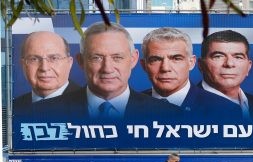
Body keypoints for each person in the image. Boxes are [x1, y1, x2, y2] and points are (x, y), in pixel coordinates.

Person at [39, 21, 171, 120]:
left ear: (133, 59)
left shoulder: (168, 115)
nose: (107, 68)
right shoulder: (44, 113)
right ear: (81, 61)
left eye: (117, 57)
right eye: (97, 58)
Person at [140, 27, 230, 120]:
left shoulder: (224, 110)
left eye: (176, 58)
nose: (165, 68)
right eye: (156, 59)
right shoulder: (128, 106)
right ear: (144, 65)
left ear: (191, 62)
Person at [198, 30, 253, 122]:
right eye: (218, 56)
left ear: (248, 67)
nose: (229, 64)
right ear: (201, 65)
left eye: (238, 57)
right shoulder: (182, 104)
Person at [14, 31, 79, 116]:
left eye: (54, 58)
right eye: (34, 59)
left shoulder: (91, 106)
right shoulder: (12, 108)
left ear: (69, 63)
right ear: (23, 65)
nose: (44, 68)